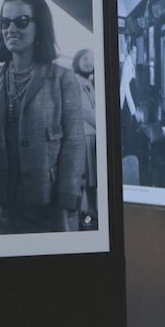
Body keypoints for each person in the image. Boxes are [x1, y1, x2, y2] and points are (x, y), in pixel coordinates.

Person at [0, 0, 85, 235]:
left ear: (39, 28)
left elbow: (74, 144)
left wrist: (67, 202)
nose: (11, 29)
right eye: (5, 21)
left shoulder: (61, 79)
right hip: (4, 204)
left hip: (49, 202)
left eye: (22, 21)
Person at [72, 48, 97, 230]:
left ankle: (93, 211)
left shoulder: (89, 81)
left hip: (93, 135)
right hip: (85, 135)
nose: (89, 62)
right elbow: (83, 109)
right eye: (85, 58)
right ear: (77, 60)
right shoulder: (75, 80)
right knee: (84, 178)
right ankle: (83, 215)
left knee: (92, 180)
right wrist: (101, 124)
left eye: (91, 59)